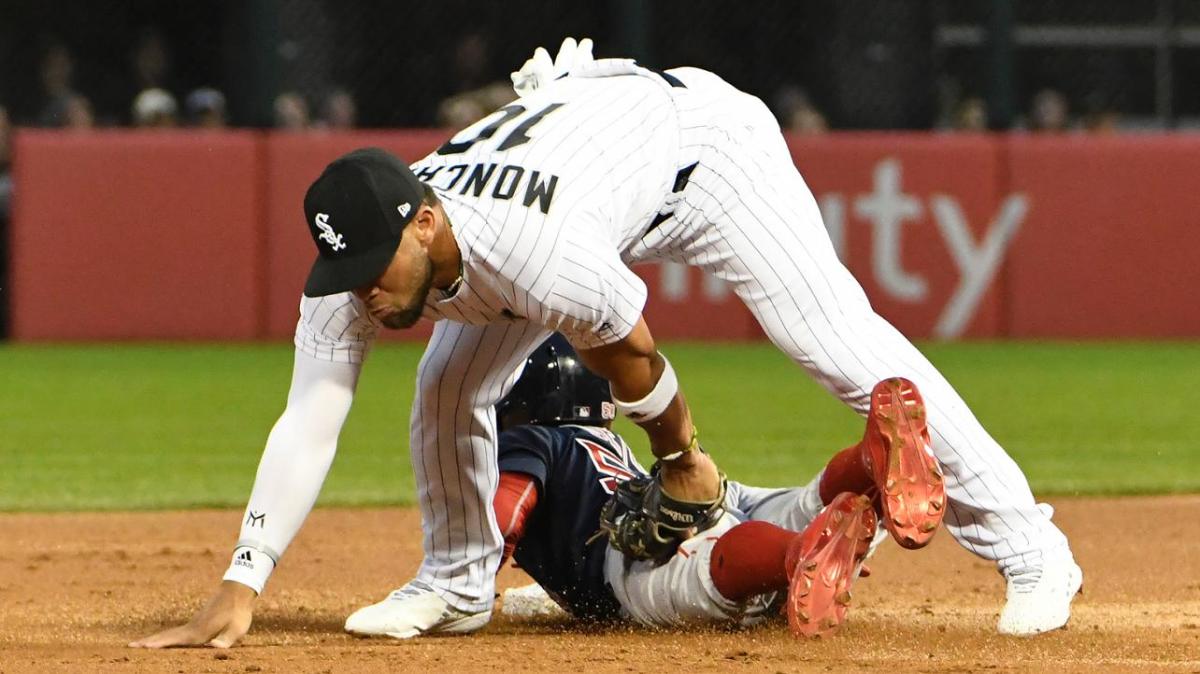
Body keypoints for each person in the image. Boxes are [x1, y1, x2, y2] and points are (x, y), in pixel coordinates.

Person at [131, 38, 1080, 648]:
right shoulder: (366, 263)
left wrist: (682, 462)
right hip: (595, 149)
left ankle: (1029, 546)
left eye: (377, 264)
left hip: (705, 153)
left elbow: (634, 352)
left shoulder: (533, 252)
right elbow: (311, 417)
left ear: (423, 226)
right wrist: (242, 578)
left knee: (830, 336)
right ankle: (458, 585)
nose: (364, 291)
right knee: (444, 391)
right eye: (349, 273)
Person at [348, 334, 931, 639]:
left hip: (633, 556)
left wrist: (468, 564)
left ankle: (797, 556)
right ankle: (864, 464)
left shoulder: (530, 442)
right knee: (790, 506)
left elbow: (504, 516)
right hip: (692, 495)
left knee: (701, 573)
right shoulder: (605, 441)